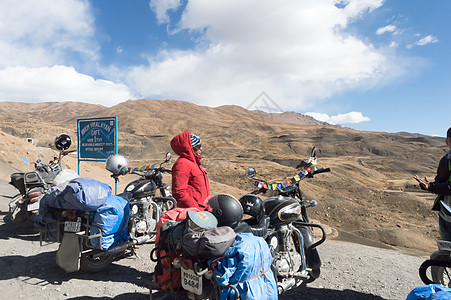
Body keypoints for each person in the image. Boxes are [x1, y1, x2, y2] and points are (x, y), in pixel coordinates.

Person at [414, 127, 451, 241]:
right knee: (445, 253)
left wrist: (432, 187)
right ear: (447, 142)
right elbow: (439, 183)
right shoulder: (445, 160)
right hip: (446, 217)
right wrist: (427, 186)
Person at [170, 132, 210, 209]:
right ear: (190, 147)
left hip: (202, 210)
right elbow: (179, 192)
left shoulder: (194, 163)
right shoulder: (182, 164)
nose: (201, 148)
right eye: (198, 146)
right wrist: (195, 208)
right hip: (193, 213)